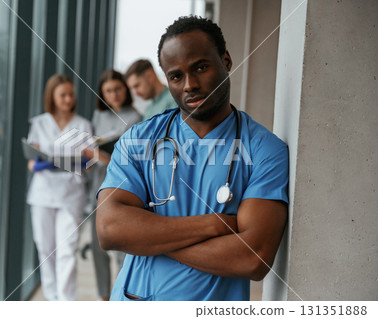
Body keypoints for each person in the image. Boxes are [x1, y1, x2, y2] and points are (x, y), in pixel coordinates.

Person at [96, 16, 289, 301]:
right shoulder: (140, 140)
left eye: (200, 67)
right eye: (176, 76)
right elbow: (110, 229)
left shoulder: (264, 149)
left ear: (226, 61)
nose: (190, 85)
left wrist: (146, 236)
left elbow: (252, 258)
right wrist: (214, 225)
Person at [26, 74, 92, 301]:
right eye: (62, 95)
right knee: (46, 250)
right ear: (52, 97)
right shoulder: (39, 123)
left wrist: (81, 160)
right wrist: (38, 163)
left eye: (71, 95)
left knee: (67, 250)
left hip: (71, 194)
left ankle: (66, 303)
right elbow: (31, 160)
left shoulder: (83, 124)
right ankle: (52, 300)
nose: (67, 99)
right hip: (43, 193)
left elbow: (89, 162)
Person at [86, 69, 141, 301]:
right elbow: (92, 154)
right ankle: (103, 298)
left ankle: (120, 298)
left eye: (117, 89)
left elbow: (132, 160)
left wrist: (100, 155)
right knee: (98, 249)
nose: (114, 94)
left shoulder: (136, 119)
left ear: (125, 89)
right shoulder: (98, 117)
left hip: (122, 191)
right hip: (96, 189)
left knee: (120, 249)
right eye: (108, 91)